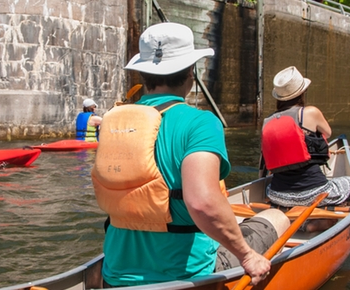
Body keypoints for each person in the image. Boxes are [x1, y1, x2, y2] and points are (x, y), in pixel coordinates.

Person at [92, 22, 290, 287]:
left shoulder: (111, 122)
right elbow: (202, 204)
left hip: (116, 273)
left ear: (143, 75)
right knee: (276, 217)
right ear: (190, 73)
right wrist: (247, 255)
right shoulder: (200, 122)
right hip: (187, 276)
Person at [261, 66, 350, 226]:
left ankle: (292, 217)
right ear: (302, 92)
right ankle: (320, 219)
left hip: (277, 194)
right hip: (313, 193)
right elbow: (328, 132)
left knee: (278, 188)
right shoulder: (310, 112)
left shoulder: (267, 122)